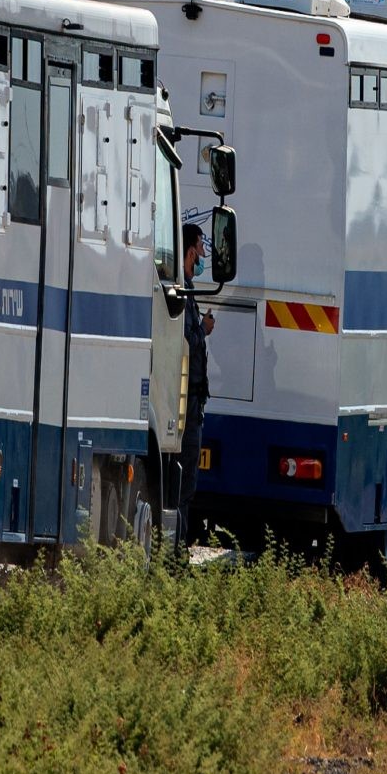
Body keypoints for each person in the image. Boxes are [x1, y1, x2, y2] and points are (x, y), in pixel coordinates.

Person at [179, 220, 213, 543]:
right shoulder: (184, 288)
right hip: (186, 404)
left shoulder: (187, 289)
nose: (203, 254)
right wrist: (204, 328)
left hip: (192, 402)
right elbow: (187, 340)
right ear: (191, 250)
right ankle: (176, 553)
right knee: (185, 483)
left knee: (187, 482)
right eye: (201, 247)